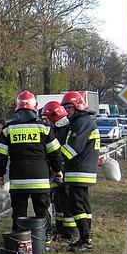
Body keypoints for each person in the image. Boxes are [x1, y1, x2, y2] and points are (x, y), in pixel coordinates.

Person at [0, 91, 64, 232]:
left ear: (17, 107)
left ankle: (19, 239)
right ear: (35, 107)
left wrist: (0, 174)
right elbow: (55, 153)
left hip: (18, 180)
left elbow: (0, 155)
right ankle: (45, 238)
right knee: (42, 211)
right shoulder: (44, 128)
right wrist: (57, 170)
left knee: (19, 213)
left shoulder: (8, 129)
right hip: (40, 179)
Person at [60, 91, 100, 252]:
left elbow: (72, 148)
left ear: (78, 106)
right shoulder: (82, 121)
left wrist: (54, 160)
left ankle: (86, 238)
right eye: (65, 108)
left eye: (69, 107)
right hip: (83, 170)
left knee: (76, 205)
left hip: (79, 170)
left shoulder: (82, 123)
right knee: (83, 205)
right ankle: (86, 237)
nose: (67, 111)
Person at [41, 101, 76, 242]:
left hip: (65, 171)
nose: (45, 122)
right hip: (58, 171)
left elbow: (62, 151)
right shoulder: (56, 129)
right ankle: (60, 228)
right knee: (59, 202)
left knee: (66, 203)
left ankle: (71, 232)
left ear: (54, 116)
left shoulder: (65, 130)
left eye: (47, 118)